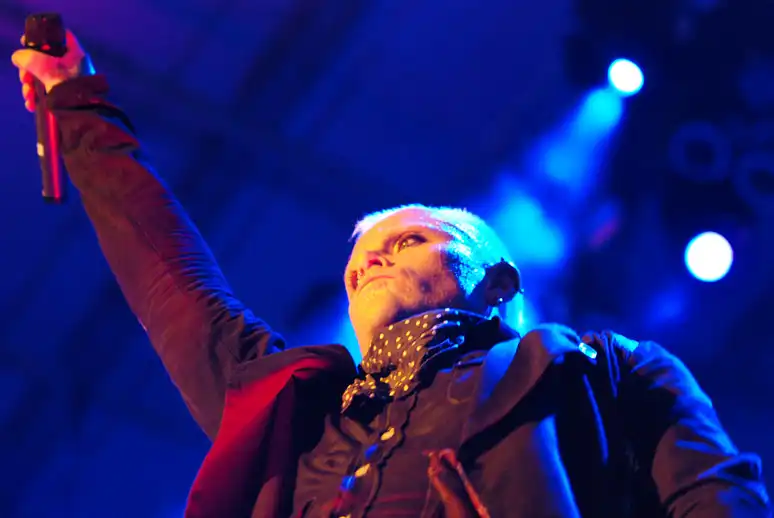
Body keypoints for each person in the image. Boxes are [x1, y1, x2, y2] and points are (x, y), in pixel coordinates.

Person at [11, 29, 771, 518]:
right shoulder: (300, 420)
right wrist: (79, 106)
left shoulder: (609, 374)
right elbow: (168, 274)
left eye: (405, 240)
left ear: (498, 282)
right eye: (354, 266)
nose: (368, 260)